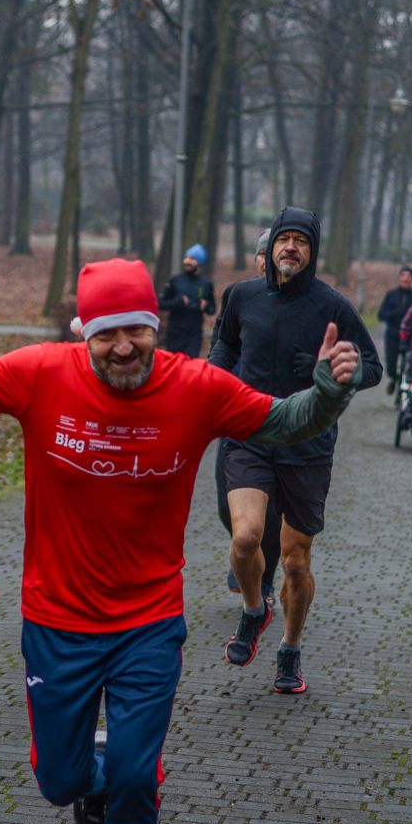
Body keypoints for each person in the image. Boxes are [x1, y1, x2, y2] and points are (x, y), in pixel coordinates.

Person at [0, 256, 364, 824]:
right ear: (83, 333)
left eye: (136, 330)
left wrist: (327, 391)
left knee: (136, 778)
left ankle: (125, 781)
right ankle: (98, 782)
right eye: (106, 334)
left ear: (155, 326)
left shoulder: (195, 387)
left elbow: (285, 420)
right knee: (60, 780)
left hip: (149, 622)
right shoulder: (41, 373)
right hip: (57, 620)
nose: (123, 347)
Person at [208, 207, 382, 696]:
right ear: (270, 248)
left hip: (308, 445)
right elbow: (225, 345)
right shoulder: (241, 296)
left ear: (312, 251)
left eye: (301, 241)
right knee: (246, 538)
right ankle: (254, 609)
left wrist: (336, 372)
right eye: (284, 239)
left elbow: (373, 366)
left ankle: (289, 647)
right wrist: (212, 379)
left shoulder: (333, 306)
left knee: (295, 562)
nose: (291, 247)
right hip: (250, 432)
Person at [214, 229, 281, 606]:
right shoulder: (238, 297)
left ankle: (264, 579)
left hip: (277, 419)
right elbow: (220, 345)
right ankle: (244, 548)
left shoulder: (302, 305)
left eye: (271, 253)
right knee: (227, 505)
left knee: (271, 513)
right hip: (234, 415)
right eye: (260, 253)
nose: (265, 260)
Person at [158, 243, 216, 357]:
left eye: (192, 259)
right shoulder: (175, 280)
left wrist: (206, 306)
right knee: (173, 365)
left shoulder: (206, 284)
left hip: (193, 336)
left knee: (191, 366)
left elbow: (212, 309)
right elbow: (160, 304)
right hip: (174, 333)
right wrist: (177, 303)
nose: (187, 261)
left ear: (199, 262)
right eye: (186, 258)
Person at [377, 265, 412, 394]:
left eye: (408, 276)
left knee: (406, 365)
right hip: (392, 333)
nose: (405, 278)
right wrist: (394, 313)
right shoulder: (391, 295)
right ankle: (394, 378)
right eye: (403, 275)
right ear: (399, 278)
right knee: (391, 366)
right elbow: (381, 315)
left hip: (409, 337)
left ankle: (401, 392)